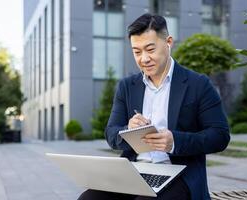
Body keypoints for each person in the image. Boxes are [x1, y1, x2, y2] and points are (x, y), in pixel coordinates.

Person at [78, 13, 230, 200]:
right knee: (89, 198)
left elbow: (220, 136)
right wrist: (128, 130)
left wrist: (175, 142)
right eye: (137, 52)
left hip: (179, 175)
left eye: (150, 49)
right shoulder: (127, 86)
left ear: (168, 42)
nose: (144, 59)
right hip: (133, 172)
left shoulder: (198, 84)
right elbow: (111, 133)